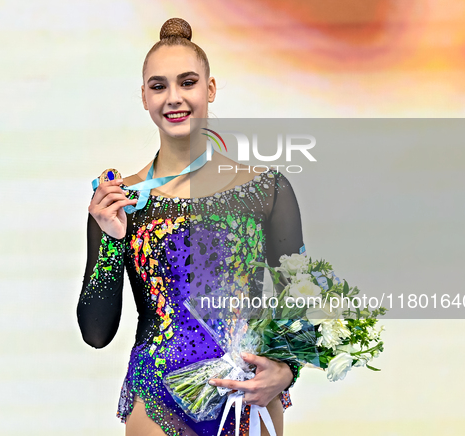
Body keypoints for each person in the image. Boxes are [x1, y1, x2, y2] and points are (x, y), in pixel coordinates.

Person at [77, 18, 304, 436]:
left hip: (248, 396)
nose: (174, 97)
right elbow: (96, 332)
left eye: (187, 82)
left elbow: (303, 298)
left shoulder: (267, 189)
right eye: (159, 86)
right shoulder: (120, 200)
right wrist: (111, 242)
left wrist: (287, 370)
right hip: (157, 398)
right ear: (144, 97)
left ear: (210, 89)